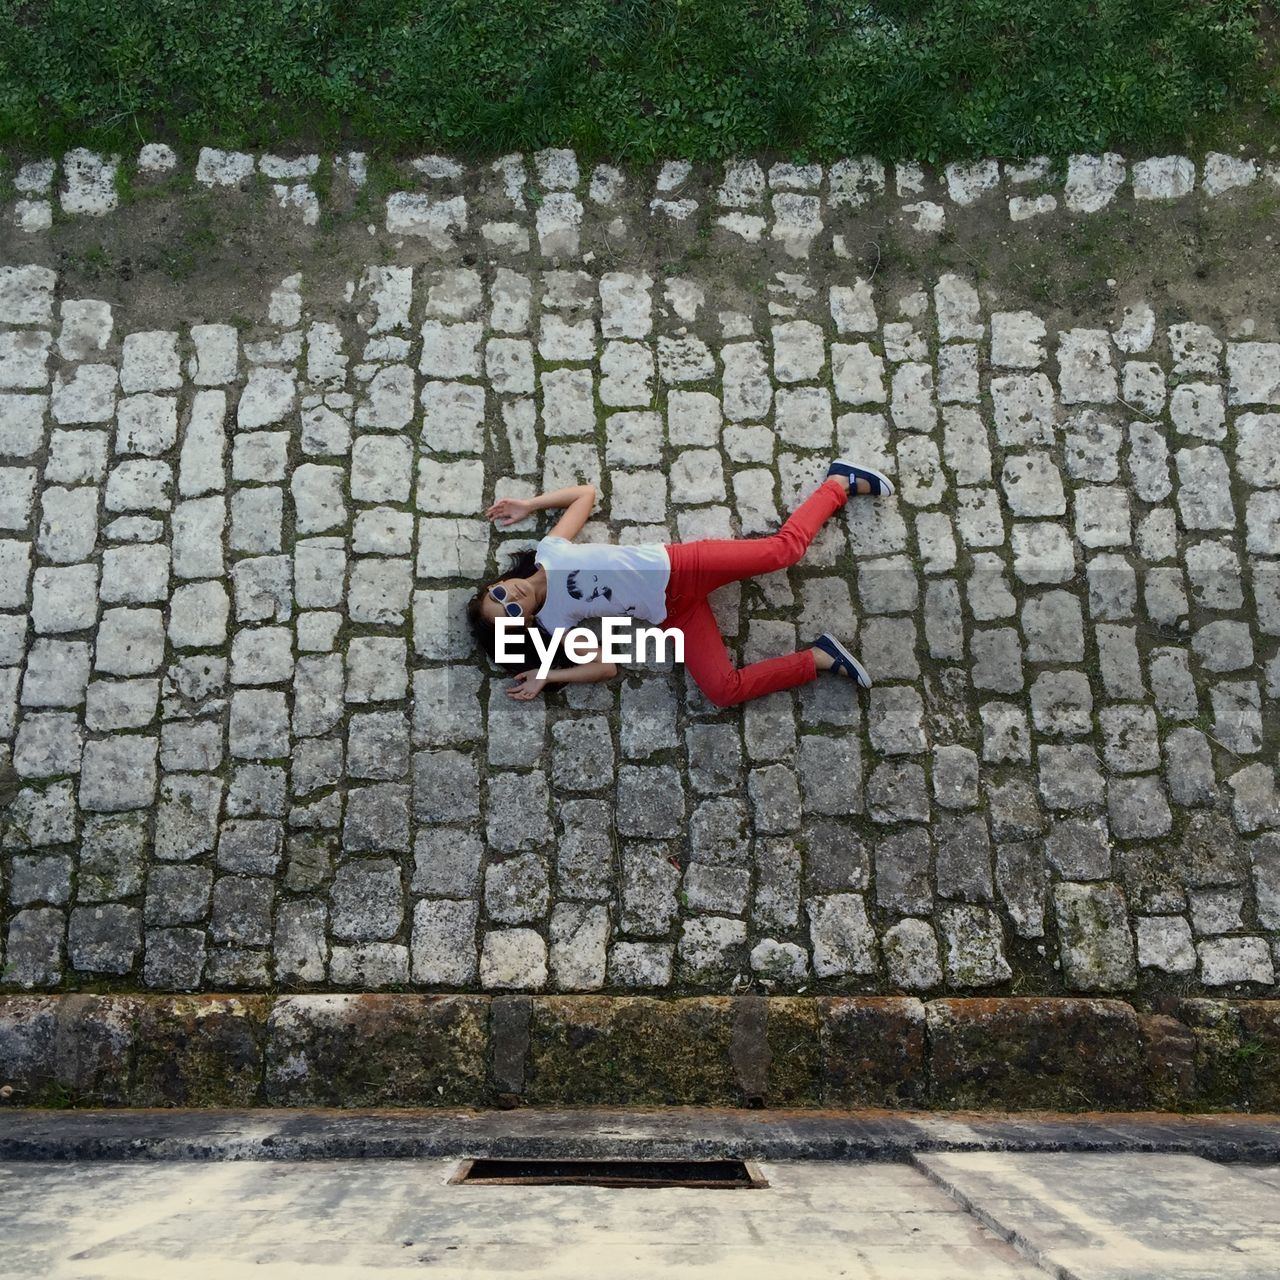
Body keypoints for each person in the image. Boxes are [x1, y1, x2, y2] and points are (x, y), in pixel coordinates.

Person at [466, 459, 894, 706]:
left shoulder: (550, 551)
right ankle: (818, 658)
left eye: (499, 594)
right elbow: (607, 667)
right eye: (511, 611)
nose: (513, 597)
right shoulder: (556, 624)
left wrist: (530, 503)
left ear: (500, 581)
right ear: (521, 626)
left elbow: (585, 495)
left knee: (785, 551)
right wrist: (546, 674)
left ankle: (838, 483)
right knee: (723, 691)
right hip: (674, 613)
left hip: (686, 566)